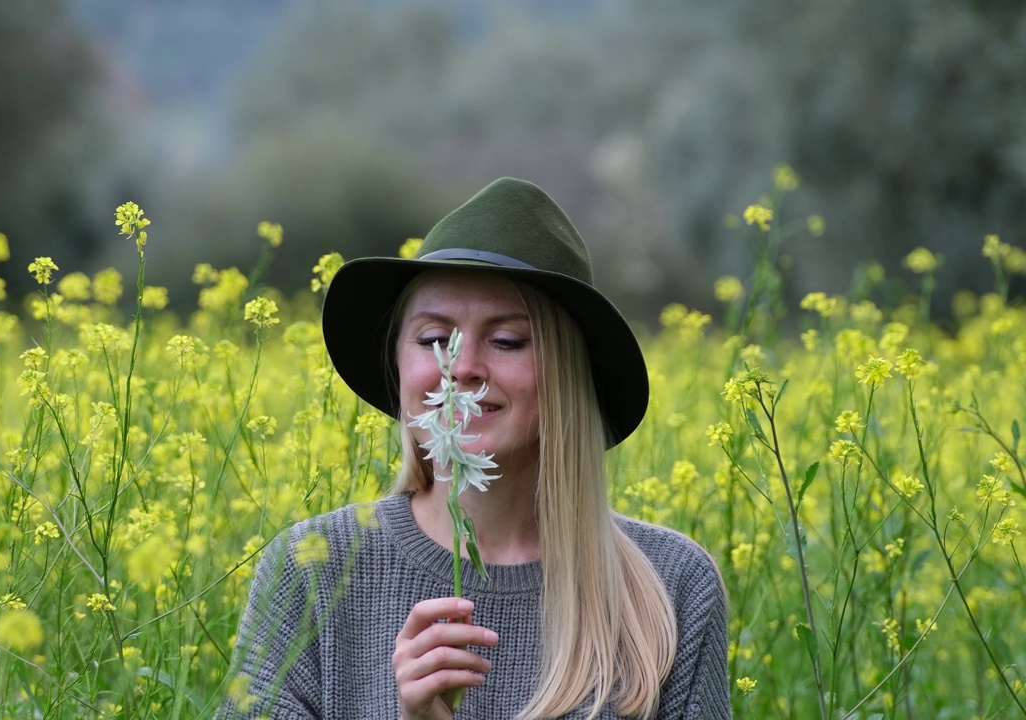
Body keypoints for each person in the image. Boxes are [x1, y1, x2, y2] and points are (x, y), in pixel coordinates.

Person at [217, 178, 730, 720]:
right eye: (434, 339)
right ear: (398, 363)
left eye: (507, 340)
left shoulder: (671, 588)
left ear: (566, 377)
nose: (460, 368)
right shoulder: (312, 569)